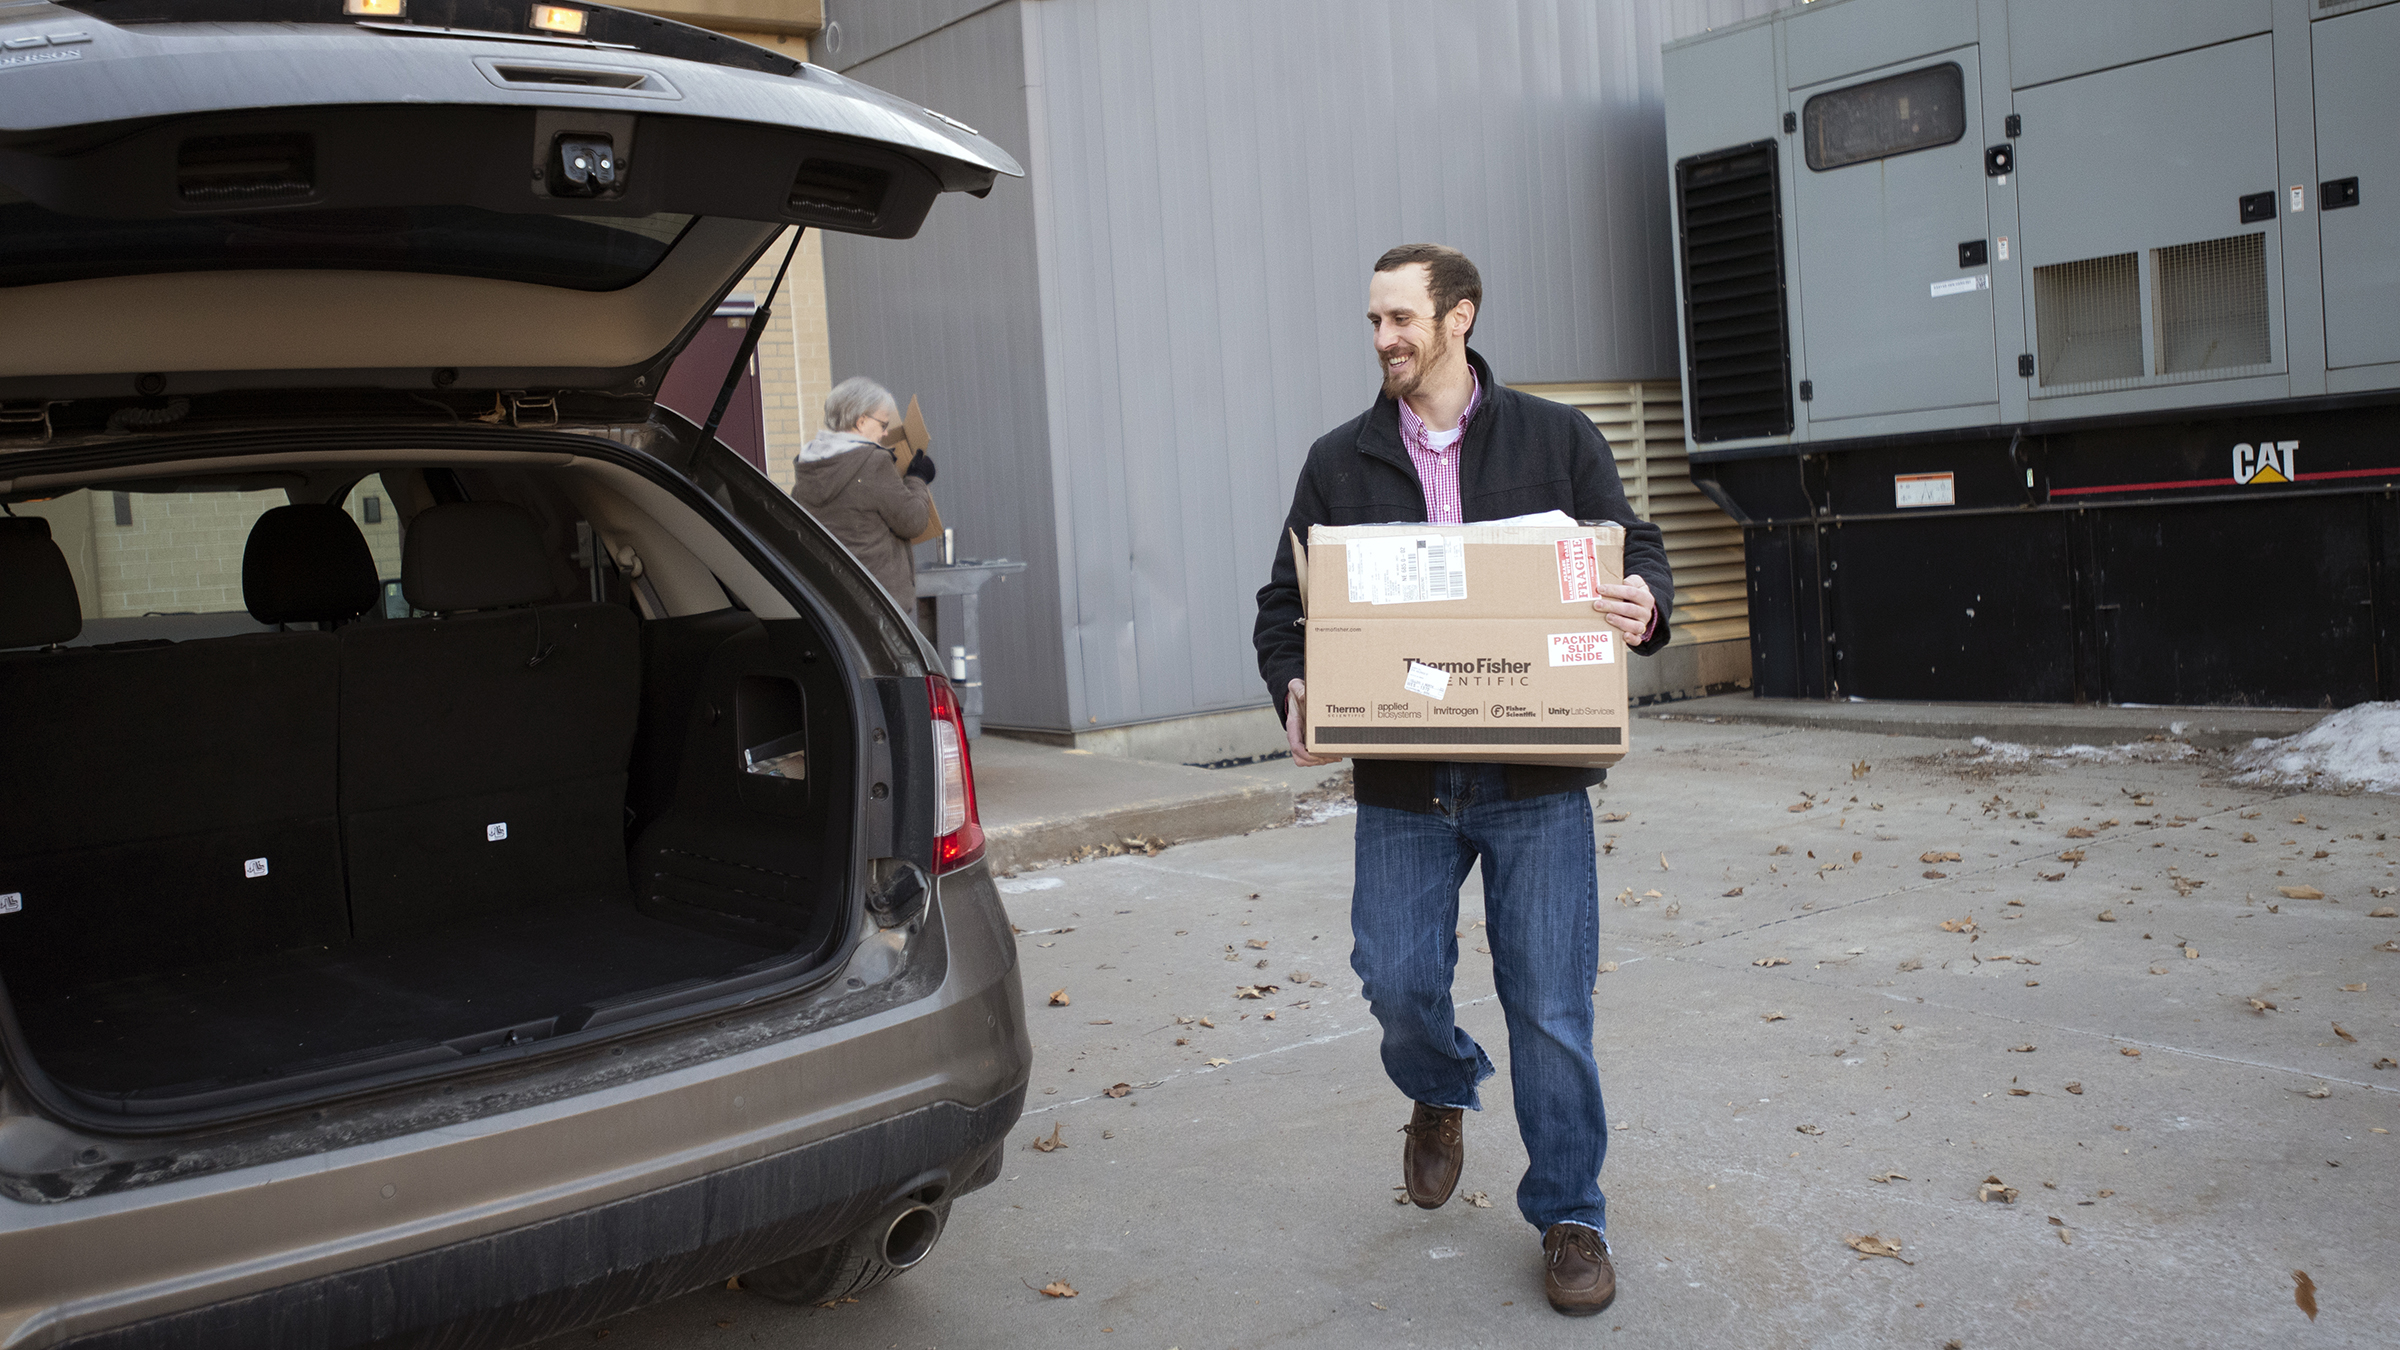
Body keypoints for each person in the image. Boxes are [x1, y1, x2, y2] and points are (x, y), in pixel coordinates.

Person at [1251, 244, 1673, 1317]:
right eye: (1374, 321)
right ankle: (1439, 1088)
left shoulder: (1556, 437)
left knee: (1550, 1007)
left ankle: (1572, 1213)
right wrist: (1296, 683)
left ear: (1460, 318)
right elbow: (1280, 607)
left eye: (1402, 318)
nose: (1385, 338)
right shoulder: (1337, 460)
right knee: (1395, 980)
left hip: (1535, 776)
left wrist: (1645, 605)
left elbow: (1643, 553)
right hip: (1404, 782)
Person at [790, 376, 937, 610]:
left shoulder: (810, 467)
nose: (886, 434)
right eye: (883, 425)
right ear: (861, 422)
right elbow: (913, 521)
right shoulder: (872, 463)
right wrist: (917, 478)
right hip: (878, 603)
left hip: (830, 600)